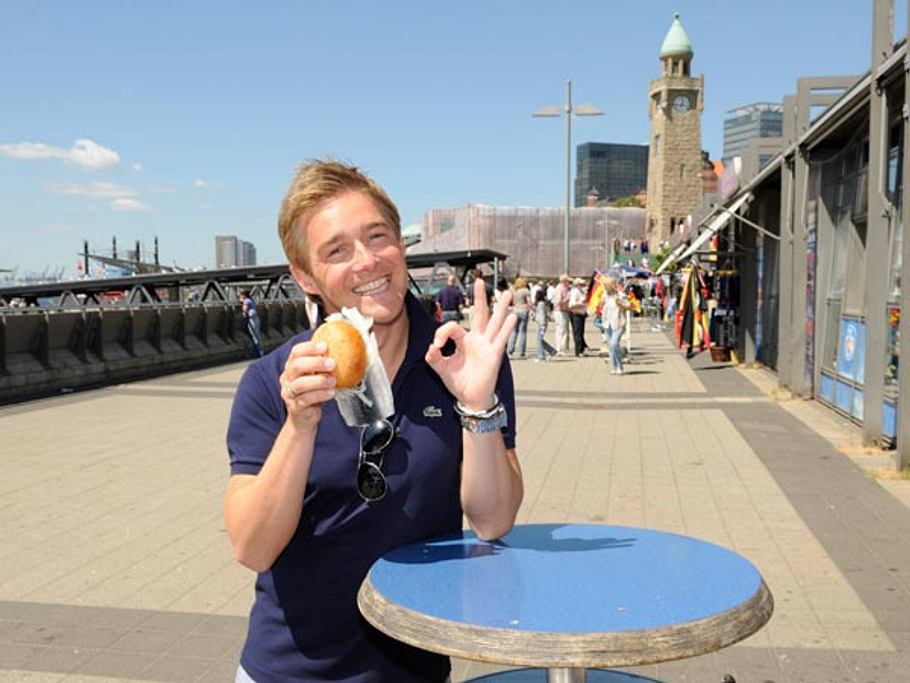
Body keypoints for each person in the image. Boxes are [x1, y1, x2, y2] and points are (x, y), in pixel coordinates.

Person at [224, 160, 523, 683]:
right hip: (290, 672)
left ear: (401, 246)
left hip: (417, 669)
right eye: (336, 251)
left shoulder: (460, 357)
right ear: (305, 278)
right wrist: (299, 423)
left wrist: (477, 403)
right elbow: (253, 547)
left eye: (377, 236)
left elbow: (493, 521)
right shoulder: (274, 380)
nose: (367, 261)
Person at [601, 276, 631, 375]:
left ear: (611, 286)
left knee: (614, 344)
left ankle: (619, 366)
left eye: (606, 286)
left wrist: (620, 303)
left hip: (618, 323)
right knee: (611, 346)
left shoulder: (620, 295)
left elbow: (629, 305)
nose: (605, 288)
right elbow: (602, 307)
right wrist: (601, 304)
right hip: (607, 324)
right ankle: (615, 366)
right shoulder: (605, 295)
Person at [507, 276, 531, 358]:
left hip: (515, 310)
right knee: (523, 332)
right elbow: (529, 302)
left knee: (514, 331)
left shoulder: (512, 290)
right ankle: (522, 351)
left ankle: (510, 350)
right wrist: (530, 309)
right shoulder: (525, 290)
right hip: (523, 310)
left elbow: (510, 301)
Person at [532, 287, 556, 362]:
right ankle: (551, 351)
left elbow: (542, 314)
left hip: (541, 323)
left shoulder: (540, 304)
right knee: (540, 339)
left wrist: (542, 324)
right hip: (543, 323)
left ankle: (541, 356)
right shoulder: (543, 303)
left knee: (539, 340)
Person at [568, 277, 589, 357]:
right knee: (577, 333)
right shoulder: (575, 292)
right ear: (577, 285)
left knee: (581, 332)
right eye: (581, 284)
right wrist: (582, 302)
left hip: (581, 313)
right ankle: (578, 351)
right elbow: (572, 304)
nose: (583, 286)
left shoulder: (581, 292)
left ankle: (581, 350)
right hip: (576, 313)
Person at [239, 289, 263, 358]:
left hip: (252, 319)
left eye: (240, 295)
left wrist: (242, 302)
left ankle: (258, 352)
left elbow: (245, 309)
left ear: (244, 295)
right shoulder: (251, 300)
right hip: (255, 318)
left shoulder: (246, 301)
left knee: (255, 336)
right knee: (257, 336)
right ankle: (259, 351)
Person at [552, 274, 571, 355]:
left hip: (562, 311)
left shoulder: (563, 288)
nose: (569, 283)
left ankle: (562, 348)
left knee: (562, 330)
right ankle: (560, 349)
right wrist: (567, 299)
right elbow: (559, 301)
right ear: (564, 281)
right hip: (560, 311)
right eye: (568, 281)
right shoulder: (560, 289)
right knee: (562, 330)